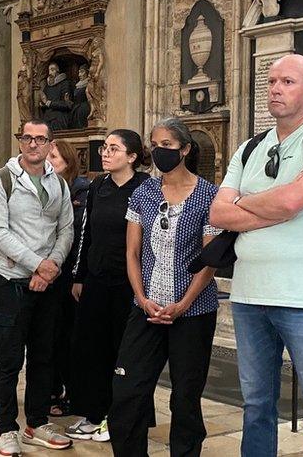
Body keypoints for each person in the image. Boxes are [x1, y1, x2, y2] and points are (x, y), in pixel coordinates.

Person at [209, 53, 303, 457]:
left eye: (288, 82)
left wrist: (248, 203)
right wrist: (272, 207)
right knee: (255, 405)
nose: (275, 88)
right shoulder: (251, 146)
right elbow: (218, 212)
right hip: (250, 296)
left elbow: (292, 202)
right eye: (272, 81)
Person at [109, 117, 220, 457]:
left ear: (185, 149)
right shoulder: (143, 193)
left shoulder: (208, 195)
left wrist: (184, 303)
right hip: (146, 308)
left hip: (193, 311)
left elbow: (209, 258)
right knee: (128, 391)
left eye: (167, 146)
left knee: (185, 397)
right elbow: (132, 252)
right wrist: (141, 298)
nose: (159, 152)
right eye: (154, 146)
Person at [0, 119, 75, 455]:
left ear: (50, 143)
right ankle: (6, 428)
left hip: (47, 282)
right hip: (10, 282)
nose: (34, 144)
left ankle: (36, 422)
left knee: (43, 356)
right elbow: (0, 233)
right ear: (20, 140)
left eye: (41, 139)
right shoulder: (2, 180)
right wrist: (38, 264)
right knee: (8, 359)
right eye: (27, 138)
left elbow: (66, 229)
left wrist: (50, 267)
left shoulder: (59, 185)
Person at [65, 129, 151, 443]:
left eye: (114, 148)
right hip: (97, 279)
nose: (105, 152)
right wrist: (79, 275)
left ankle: (121, 418)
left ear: (132, 156)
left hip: (131, 283)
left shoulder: (145, 187)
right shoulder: (97, 185)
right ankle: (94, 413)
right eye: (104, 147)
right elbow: (86, 233)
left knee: (125, 352)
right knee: (91, 348)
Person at [45, 139, 89, 417]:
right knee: (49, 335)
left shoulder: (81, 190)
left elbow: (79, 231)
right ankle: (50, 388)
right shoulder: (42, 186)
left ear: (68, 161)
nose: (49, 161)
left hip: (70, 270)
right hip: (46, 270)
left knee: (70, 335)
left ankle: (73, 391)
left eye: (54, 157)